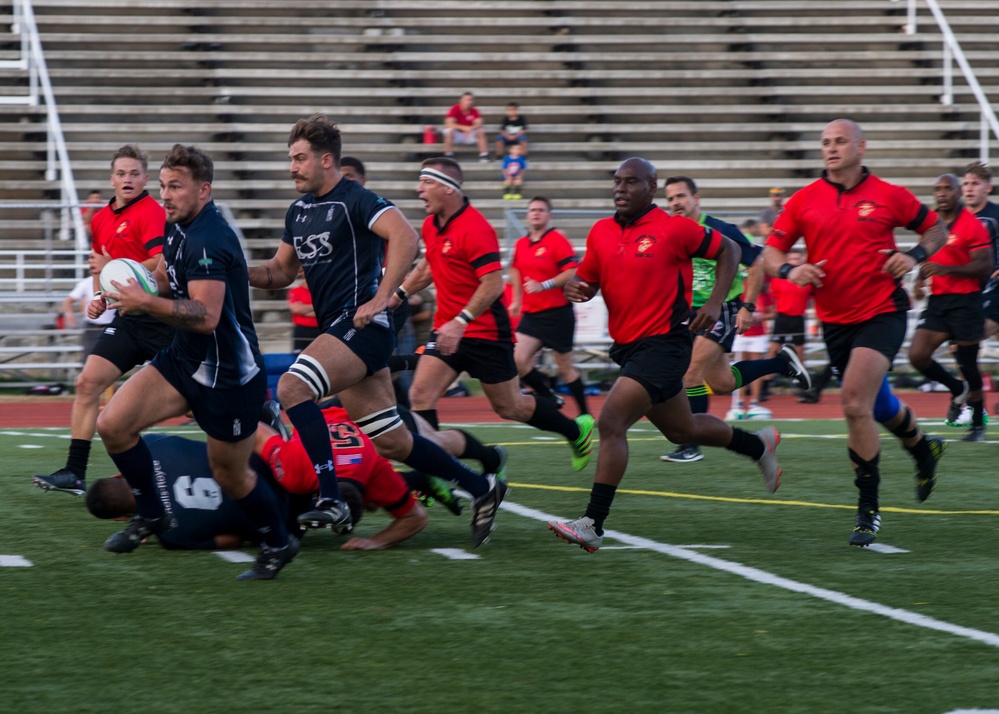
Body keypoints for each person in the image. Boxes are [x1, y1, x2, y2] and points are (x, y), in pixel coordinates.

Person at [247, 116, 504, 548]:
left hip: (362, 326)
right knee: (394, 442)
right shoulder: (298, 211)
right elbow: (280, 272)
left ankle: (330, 498)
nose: (291, 167)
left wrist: (383, 296)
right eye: (290, 159)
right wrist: (237, 272)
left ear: (326, 160)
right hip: (342, 333)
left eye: (299, 159)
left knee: (292, 388)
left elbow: (405, 236)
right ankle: (482, 488)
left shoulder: (356, 199)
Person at [547, 158, 782, 553]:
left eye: (631, 182)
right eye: (617, 182)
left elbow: (728, 250)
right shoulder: (601, 231)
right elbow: (587, 279)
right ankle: (757, 446)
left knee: (610, 422)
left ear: (651, 187)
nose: (620, 189)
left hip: (666, 343)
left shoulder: (674, 227)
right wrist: (579, 289)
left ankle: (593, 522)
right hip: (628, 348)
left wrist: (716, 302)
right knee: (682, 430)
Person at [93, 144, 297, 581]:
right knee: (112, 424)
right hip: (185, 359)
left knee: (230, 475)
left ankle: (278, 541)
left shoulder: (210, 237)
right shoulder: (178, 225)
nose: (165, 195)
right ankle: (150, 513)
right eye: (163, 185)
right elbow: (167, 275)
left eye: (176, 187)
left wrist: (145, 301)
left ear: (204, 190)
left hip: (228, 378)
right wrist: (117, 291)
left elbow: (206, 316)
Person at [762, 118, 950, 548]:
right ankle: (923, 448)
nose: (831, 148)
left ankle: (868, 510)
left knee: (852, 403)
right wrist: (793, 269)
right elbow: (770, 253)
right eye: (825, 142)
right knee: (876, 402)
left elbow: (936, 230)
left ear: (861, 147)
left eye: (839, 141)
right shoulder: (804, 200)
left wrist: (915, 255)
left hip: (883, 312)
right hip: (835, 320)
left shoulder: (889, 195)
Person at [393, 157, 596, 479]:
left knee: (509, 407)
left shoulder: (475, 228)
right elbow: (428, 267)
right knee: (420, 395)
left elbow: (491, 283)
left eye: (426, 183)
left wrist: (461, 320)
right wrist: (398, 294)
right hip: (447, 329)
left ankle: (575, 430)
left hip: (485, 332)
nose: (419, 190)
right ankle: (431, 475)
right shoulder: (431, 225)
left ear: (448, 188)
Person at [32, 145, 173, 497]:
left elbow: (161, 262)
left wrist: (124, 272)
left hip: (162, 317)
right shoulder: (99, 219)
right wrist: (99, 299)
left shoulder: (151, 212)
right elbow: (100, 269)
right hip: (127, 319)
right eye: (121, 173)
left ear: (145, 179)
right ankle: (74, 472)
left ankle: (259, 422)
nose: (127, 179)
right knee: (86, 383)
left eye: (134, 173)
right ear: (112, 178)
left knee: (204, 395)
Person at [659, 175, 810, 463]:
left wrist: (747, 307)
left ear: (696, 198)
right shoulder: (671, 231)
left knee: (690, 373)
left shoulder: (720, 229)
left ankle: (690, 445)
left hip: (722, 308)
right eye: (670, 199)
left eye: (681, 196)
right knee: (722, 383)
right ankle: (782, 362)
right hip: (689, 314)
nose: (676, 203)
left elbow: (756, 262)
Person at [85, 430, 304, 551]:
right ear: (119, 475)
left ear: (122, 518)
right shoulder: (151, 446)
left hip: (288, 521)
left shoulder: (172, 537)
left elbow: (233, 541)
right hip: (280, 469)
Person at [907, 174, 992, 440]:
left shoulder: (972, 224)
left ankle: (977, 422)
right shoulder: (931, 224)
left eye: (947, 189)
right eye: (937, 189)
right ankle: (957, 389)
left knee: (968, 364)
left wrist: (947, 269)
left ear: (957, 193)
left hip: (966, 303)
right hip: (939, 302)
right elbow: (927, 256)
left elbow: (985, 265)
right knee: (917, 355)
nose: (942, 193)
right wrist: (920, 280)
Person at [508, 196, 589, 415]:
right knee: (517, 360)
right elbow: (515, 271)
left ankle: (585, 414)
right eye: (532, 210)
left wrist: (544, 285)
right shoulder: (521, 243)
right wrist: (517, 299)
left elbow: (572, 270)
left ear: (549, 215)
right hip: (532, 314)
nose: (536, 213)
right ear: (527, 214)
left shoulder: (556, 239)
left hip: (557, 314)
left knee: (565, 367)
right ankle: (549, 395)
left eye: (541, 210)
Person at [767, 247, 815, 400]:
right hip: (782, 318)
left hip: (798, 319)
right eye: (792, 259)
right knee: (773, 349)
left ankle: (802, 384)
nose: (795, 261)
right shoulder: (779, 279)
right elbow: (772, 298)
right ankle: (765, 383)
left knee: (800, 352)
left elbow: (812, 298)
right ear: (787, 260)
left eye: (797, 258)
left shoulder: (806, 280)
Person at [62, 275, 116, 360]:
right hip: (92, 326)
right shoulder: (86, 283)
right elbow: (68, 301)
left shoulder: (115, 281)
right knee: (88, 357)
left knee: (111, 359)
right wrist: (69, 315)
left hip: (111, 325)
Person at [442, 91, 488, 162]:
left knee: (480, 131)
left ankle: (484, 156)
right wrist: (464, 128)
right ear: (461, 101)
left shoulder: (474, 110)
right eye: (467, 100)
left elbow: (479, 123)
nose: (469, 102)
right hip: (457, 135)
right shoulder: (455, 109)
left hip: (469, 134)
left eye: (471, 100)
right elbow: (449, 123)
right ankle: (449, 155)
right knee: (449, 131)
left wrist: (469, 129)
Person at [287, 269, 320, 354]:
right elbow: (295, 309)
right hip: (302, 330)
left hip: (319, 329)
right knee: (298, 355)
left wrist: (304, 309)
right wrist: (316, 306)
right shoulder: (295, 291)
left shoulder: (321, 292)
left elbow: (326, 309)